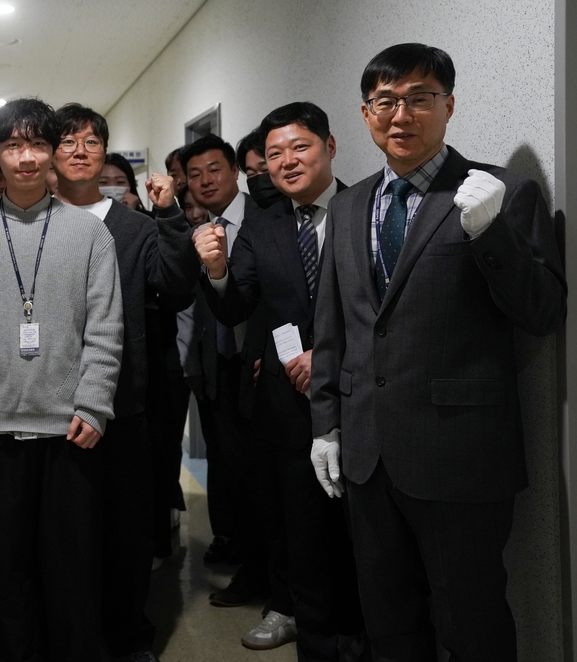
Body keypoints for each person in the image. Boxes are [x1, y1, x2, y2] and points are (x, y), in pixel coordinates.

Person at [311, 43, 566, 661]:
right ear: (366, 114)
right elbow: (333, 327)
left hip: (461, 455)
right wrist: (326, 424)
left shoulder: (502, 191)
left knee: (471, 621)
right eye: (385, 102)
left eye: (419, 99)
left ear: (448, 106)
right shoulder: (347, 205)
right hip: (367, 453)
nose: (401, 115)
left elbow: (542, 312)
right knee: (388, 619)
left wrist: (490, 232)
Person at [0, 97, 124, 662]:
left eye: (38, 144)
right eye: (13, 146)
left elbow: (106, 326)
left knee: (70, 570)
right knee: (5, 568)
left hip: (70, 429)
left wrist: (94, 404)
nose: (27, 158)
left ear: (53, 152)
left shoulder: (89, 232)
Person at [195, 102, 365, 657]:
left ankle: (360, 634)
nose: (286, 161)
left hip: (361, 400)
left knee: (363, 537)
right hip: (288, 406)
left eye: (299, 147)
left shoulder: (364, 208)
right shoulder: (263, 225)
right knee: (301, 531)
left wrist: (329, 357)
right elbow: (237, 305)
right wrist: (217, 271)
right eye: (274, 154)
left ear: (330, 147)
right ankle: (315, 639)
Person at [50, 103, 193, 662]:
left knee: (125, 533)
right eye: (68, 141)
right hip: (49, 405)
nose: (80, 151)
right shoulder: (36, 219)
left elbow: (175, 288)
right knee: (65, 536)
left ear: (105, 152)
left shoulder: (135, 226)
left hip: (124, 404)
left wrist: (171, 215)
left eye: (91, 141)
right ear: (52, 153)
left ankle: (129, 636)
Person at [182, 133, 267, 605]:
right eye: (195, 175)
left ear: (235, 171)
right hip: (219, 368)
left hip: (261, 368)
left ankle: (262, 574)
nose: (205, 181)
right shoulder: (201, 228)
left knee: (260, 478)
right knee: (231, 471)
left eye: (214, 169)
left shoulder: (265, 217)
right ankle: (242, 556)